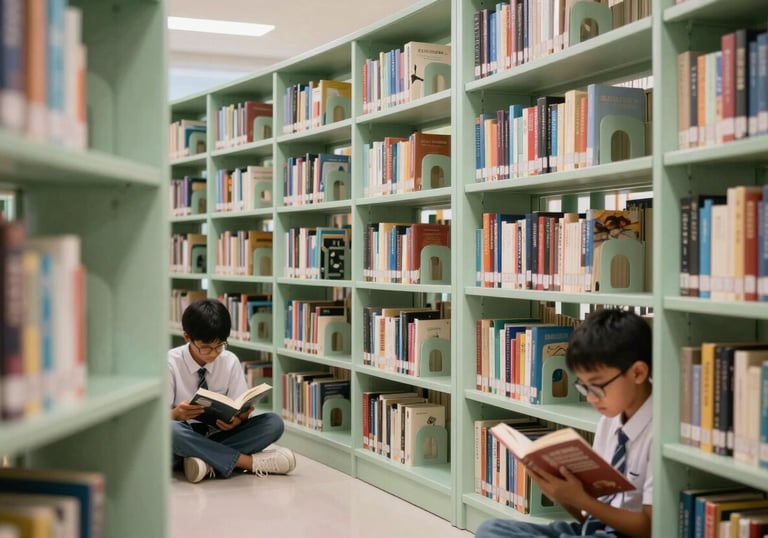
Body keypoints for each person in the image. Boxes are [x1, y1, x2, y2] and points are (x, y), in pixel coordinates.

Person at [476, 308, 653, 538]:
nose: (590, 397)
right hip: (593, 530)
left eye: (597, 386)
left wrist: (581, 500)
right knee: (491, 530)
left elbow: (650, 529)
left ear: (638, 373)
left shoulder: (658, 434)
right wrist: (565, 496)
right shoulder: (610, 421)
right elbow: (591, 516)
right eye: (583, 386)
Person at [169, 298, 296, 483]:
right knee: (169, 430)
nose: (213, 353)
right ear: (187, 337)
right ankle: (248, 463)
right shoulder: (170, 363)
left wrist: (239, 419)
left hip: (217, 434)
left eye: (219, 345)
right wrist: (176, 413)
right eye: (206, 347)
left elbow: (239, 408)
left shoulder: (230, 361)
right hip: (185, 433)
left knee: (274, 423)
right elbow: (156, 421)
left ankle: (203, 461)